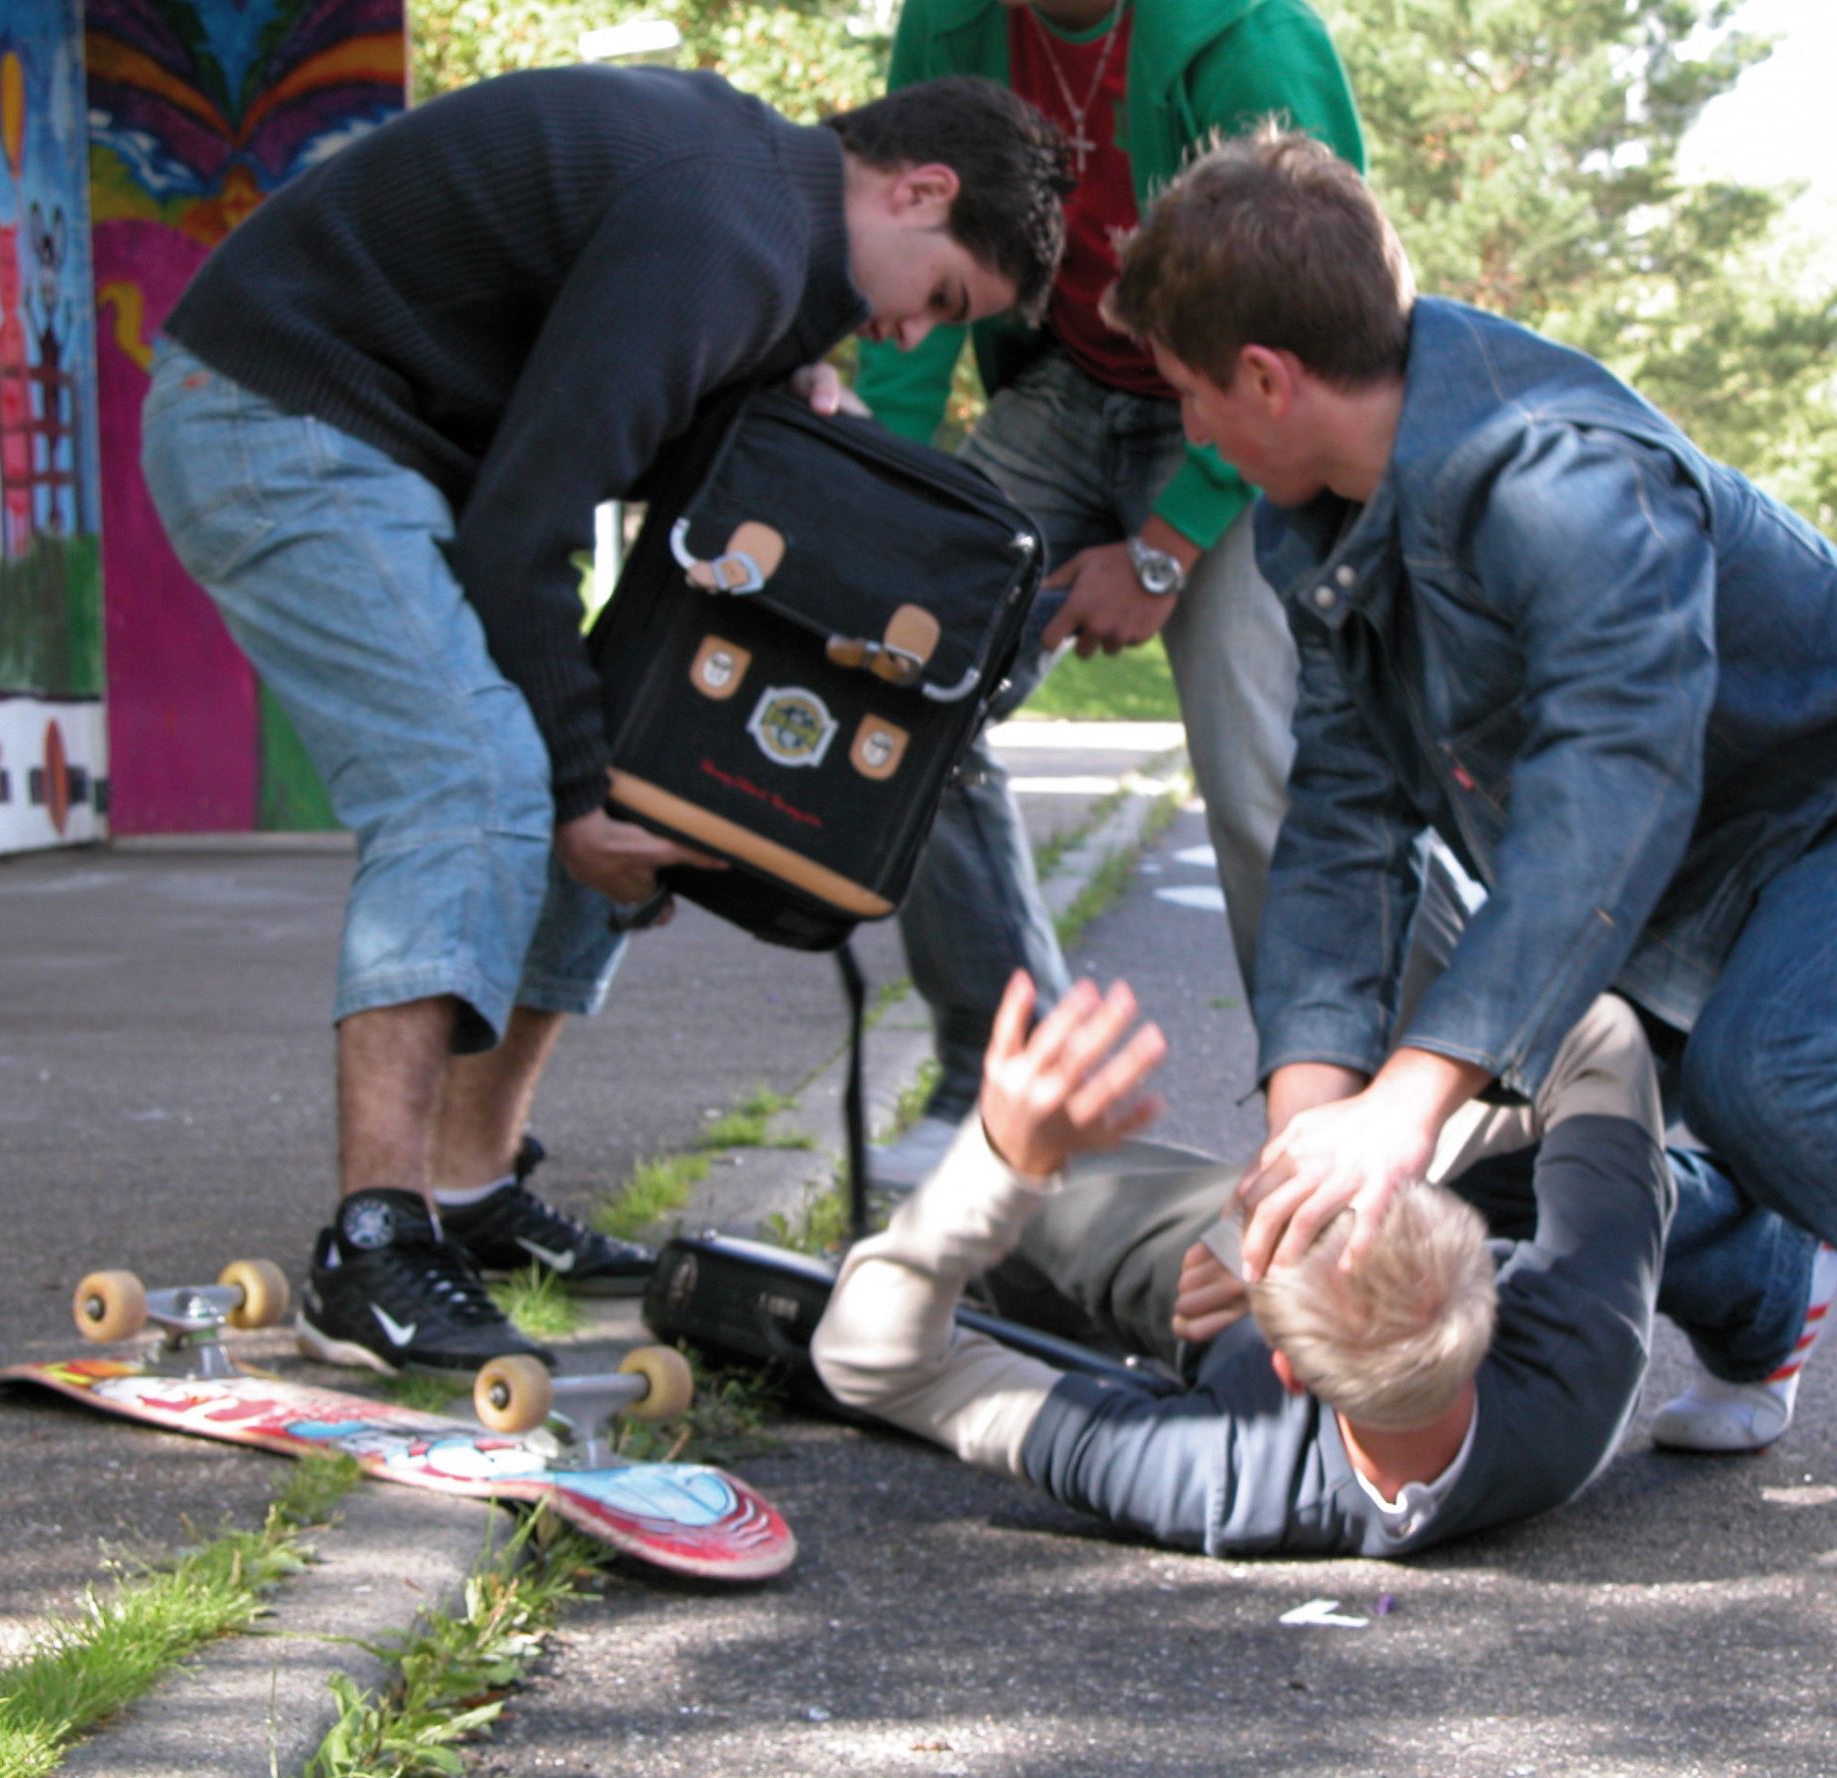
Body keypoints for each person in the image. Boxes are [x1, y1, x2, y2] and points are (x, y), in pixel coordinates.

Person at [140, 65, 1073, 1377]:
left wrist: (769, 390)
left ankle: (467, 1189)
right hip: (273, 417)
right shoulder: (727, 229)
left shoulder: (755, 222)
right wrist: (575, 791)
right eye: (940, 300)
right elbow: (524, 532)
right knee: (470, 781)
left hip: (381, 443)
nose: (913, 338)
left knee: (630, 782)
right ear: (921, 191)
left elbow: (605, 433)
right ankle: (373, 1242)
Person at [1101, 124, 1837, 1449]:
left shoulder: (1562, 475)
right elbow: (1337, 821)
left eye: (1188, 396)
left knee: (1770, 1073)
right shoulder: (1314, 517)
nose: (1190, 430)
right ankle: (1769, 1288)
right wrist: (1299, 1168)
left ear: (1264, 378)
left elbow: (1608, 802)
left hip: (1809, 822)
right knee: (1464, 1176)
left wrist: (1403, 1098)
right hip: (1680, 888)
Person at [854, 0, 1365, 1192]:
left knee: (1262, 783)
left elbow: (1307, 316)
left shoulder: (1249, 37)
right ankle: (1003, 1067)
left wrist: (1167, 547)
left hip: (1237, 406)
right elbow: (910, 276)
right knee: (904, 680)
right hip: (1073, 385)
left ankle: (1345, 1126)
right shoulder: (949, 22)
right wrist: (882, 494)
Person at [815, 973, 1824, 1555]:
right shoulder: (1579, 1351)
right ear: (1496, 1286)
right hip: (1377, 1300)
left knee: (1024, 1205)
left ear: (1285, 1364)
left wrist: (1002, 1160)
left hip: (1187, 1307)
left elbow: (872, 1360)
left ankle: (1026, 1234)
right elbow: (1599, 1029)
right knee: (1622, 1186)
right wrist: (1400, 1127)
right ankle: (1775, 1269)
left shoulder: (1218, 1475)